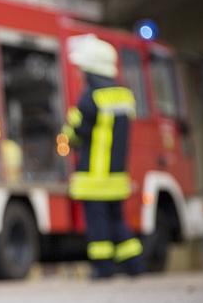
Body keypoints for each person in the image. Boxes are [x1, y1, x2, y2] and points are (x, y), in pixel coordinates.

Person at [61, 34, 144, 279]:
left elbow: (77, 135)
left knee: (98, 226)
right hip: (116, 175)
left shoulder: (89, 99)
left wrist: (70, 126)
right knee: (118, 221)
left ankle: (103, 268)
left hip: (94, 176)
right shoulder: (125, 97)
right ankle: (135, 266)